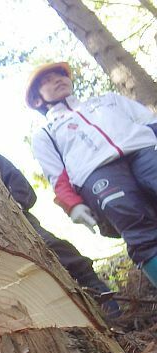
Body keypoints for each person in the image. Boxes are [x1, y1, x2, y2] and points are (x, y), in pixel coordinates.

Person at [25, 61, 157, 287]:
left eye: (60, 75)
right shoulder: (45, 134)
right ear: (37, 100)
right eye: (47, 80)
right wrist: (72, 204)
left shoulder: (108, 100)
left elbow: (149, 121)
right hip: (96, 173)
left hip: (143, 149)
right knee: (136, 226)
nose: (58, 79)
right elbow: (56, 175)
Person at [0, 150, 119, 317]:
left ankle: (105, 302)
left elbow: (23, 189)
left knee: (56, 251)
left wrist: (13, 207)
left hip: (20, 221)